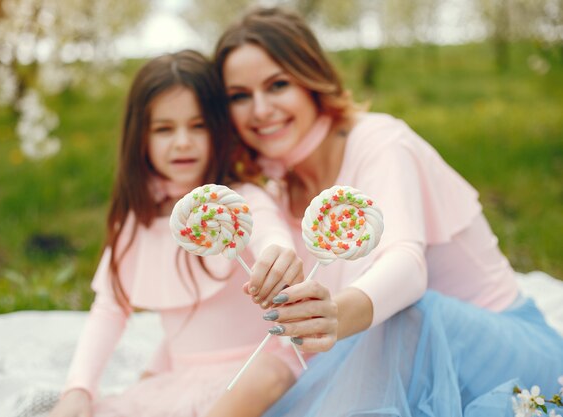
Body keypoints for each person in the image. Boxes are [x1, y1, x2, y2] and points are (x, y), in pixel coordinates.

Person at [213, 7, 563, 416]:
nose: (260, 109)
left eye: (277, 85)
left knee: (405, 315)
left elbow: (406, 266)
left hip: (506, 356)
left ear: (312, 80)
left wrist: (333, 315)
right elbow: (288, 351)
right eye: (239, 96)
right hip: (398, 360)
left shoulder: (379, 142)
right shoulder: (277, 190)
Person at [47, 50, 307, 417]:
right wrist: (78, 389)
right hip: (182, 375)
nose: (182, 142)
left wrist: (276, 252)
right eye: (164, 129)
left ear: (219, 130)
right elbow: (109, 309)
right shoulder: (138, 218)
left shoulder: (239, 199)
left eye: (198, 126)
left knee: (266, 373)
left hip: (259, 366)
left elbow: (269, 230)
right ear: (141, 137)